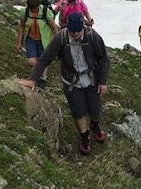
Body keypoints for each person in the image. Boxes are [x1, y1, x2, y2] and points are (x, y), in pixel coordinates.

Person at [19, 12, 109, 155]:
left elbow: (103, 59)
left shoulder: (93, 37)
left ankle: (95, 125)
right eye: (72, 31)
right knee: (78, 111)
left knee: (95, 109)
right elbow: (44, 59)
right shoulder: (60, 38)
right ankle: (85, 137)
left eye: (78, 31)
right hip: (71, 82)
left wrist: (102, 81)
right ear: (68, 28)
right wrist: (33, 80)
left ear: (83, 27)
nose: (75, 34)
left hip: (92, 79)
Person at [15, 0, 58, 87]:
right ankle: (39, 75)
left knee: (42, 59)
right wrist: (19, 43)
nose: (34, 10)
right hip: (31, 39)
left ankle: (42, 79)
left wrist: (57, 43)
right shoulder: (25, 12)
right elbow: (21, 26)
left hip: (44, 40)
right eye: (32, 8)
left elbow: (54, 28)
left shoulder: (46, 12)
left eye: (36, 8)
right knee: (31, 61)